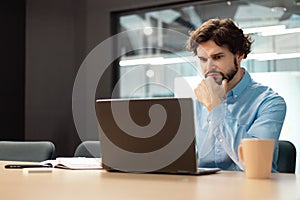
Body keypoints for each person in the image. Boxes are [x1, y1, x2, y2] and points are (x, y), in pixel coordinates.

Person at [186, 18, 286, 171]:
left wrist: (216, 107)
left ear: (239, 55)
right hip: (204, 192)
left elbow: (256, 164)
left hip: (251, 192)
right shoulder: (195, 103)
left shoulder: (269, 102)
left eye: (217, 57)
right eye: (203, 59)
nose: (209, 67)